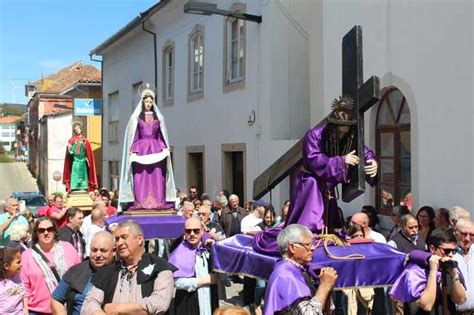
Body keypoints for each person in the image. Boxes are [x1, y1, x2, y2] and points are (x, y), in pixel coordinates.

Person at [284, 96, 378, 232]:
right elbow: (313, 159)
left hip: (328, 187)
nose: (341, 136)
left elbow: (363, 150)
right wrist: (341, 161)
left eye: (345, 133)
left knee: (330, 224)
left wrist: (372, 161)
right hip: (311, 184)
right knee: (309, 222)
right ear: (332, 127)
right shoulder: (314, 135)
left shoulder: (347, 137)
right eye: (339, 132)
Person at [81, 220, 176, 314]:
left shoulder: (160, 267)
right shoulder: (108, 271)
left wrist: (119, 309)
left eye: (124, 237)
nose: (119, 243)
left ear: (139, 239)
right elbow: (90, 302)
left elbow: (160, 302)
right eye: (117, 239)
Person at [118, 83, 177, 211]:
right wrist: (133, 150)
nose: (149, 104)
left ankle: (158, 200)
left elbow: (162, 135)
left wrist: (164, 147)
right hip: (142, 150)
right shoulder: (136, 118)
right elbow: (134, 135)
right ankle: (141, 201)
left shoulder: (159, 118)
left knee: (157, 174)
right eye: (146, 101)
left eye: (151, 101)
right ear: (142, 102)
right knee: (141, 175)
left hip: (156, 149)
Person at [264, 224, 338, 314]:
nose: (313, 248)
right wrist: (324, 286)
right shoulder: (286, 275)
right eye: (307, 244)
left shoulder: (302, 269)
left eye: (312, 244)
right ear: (292, 248)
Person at [390, 228, 467, 314]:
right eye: (447, 251)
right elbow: (427, 305)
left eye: (454, 251)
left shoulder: (449, 267)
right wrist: (433, 272)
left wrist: (454, 275)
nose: (451, 255)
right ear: (432, 249)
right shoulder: (415, 271)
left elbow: (461, 300)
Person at [21, 217, 81, 314]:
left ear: (54, 231)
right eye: (41, 230)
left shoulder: (68, 248)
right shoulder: (27, 255)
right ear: (36, 233)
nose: (46, 233)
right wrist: (25, 310)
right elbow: (24, 286)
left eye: (49, 229)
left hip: (66, 309)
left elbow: (80, 276)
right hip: (37, 311)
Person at [51, 231, 116, 315]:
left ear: (114, 251)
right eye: (94, 250)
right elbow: (56, 299)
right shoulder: (76, 271)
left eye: (103, 250)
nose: (98, 255)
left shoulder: (120, 273)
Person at [169, 217, 218, 315]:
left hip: (209, 298)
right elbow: (176, 282)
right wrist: (202, 281)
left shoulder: (208, 248)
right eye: (188, 231)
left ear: (202, 231)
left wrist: (216, 250)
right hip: (188, 302)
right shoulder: (179, 252)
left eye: (196, 231)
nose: (192, 234)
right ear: (184, 232)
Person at [63, 121, 98, 192]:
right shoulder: (71, 141)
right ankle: (74, 187)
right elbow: (69, 154)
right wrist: (70, 150)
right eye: (75, 130)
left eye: (78, 129)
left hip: (82, 162)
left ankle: (83, 187)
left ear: (80, 130)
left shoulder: (85, 141)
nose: (77, 131)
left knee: (83, 176)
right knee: (75, 174)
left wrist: (88, 161)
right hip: (75, 162)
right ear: (74, 131)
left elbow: (89, 153)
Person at [452, 219, 474, 313]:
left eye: (472, 235)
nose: (467, 239)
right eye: (463, 234)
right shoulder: (450, 254)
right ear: (455, 232)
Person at [0, 247, 26, 315]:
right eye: (18, 262)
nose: (21, 264)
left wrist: (26, 311)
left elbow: (24, 296)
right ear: (6, 266)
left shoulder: (18, 276)